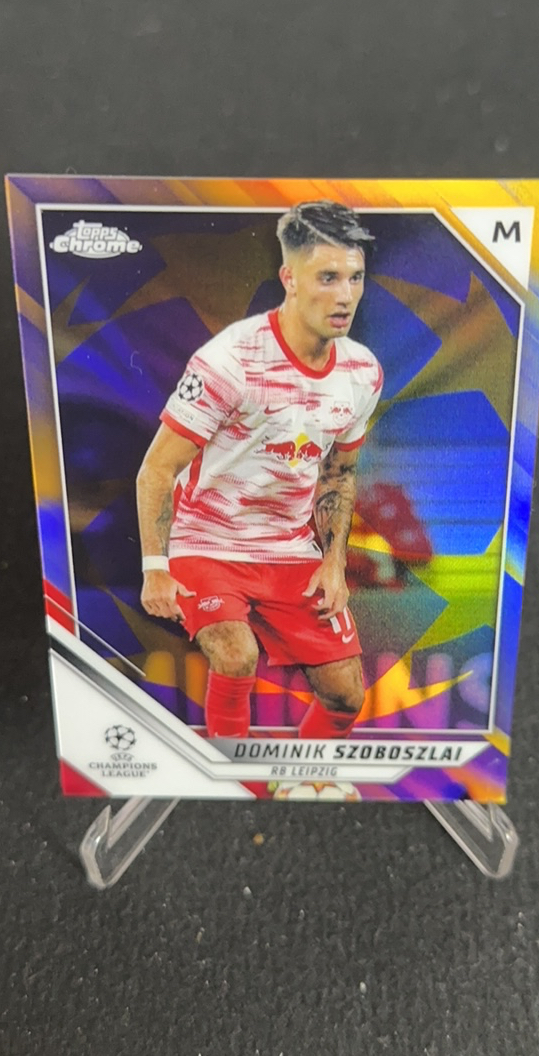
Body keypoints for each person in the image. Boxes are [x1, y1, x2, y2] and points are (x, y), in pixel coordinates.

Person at [136, 200, 384, 739]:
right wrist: (156, 566)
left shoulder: (362, 372)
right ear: (289, 279)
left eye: (355, 278)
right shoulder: (230, 361)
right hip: (207, 542)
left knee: (346, 696)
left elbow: (339, 475)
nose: (345, 295)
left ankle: (302, 777)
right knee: (236, 657)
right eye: (327, 278)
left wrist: (334, 563)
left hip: (289, 549)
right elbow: (157, 469)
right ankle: (233, 773)